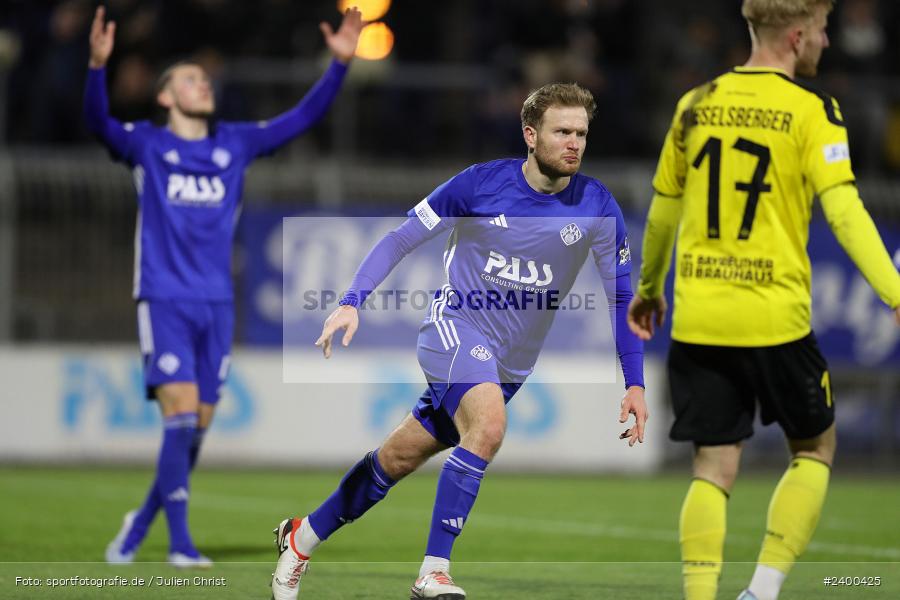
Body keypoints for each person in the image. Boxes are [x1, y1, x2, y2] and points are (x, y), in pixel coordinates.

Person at [270, 82, 649, 600]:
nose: (574, 143)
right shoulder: (478, 185)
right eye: (563, 131)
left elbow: (621, 298)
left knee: (398, 458)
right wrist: (352, 300)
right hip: (454, 329)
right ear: (530, 134)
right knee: (489, 425)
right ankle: (433, 571)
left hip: (512, 364)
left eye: (582, 133)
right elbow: (402, 236)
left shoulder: (598, 206)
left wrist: (635, 383)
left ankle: (301, 537)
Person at [627, 1, 900, 599]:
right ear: (798, 35)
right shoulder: (812, 109)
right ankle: (762, 590)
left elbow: (662, 212)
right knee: (816, 447)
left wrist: (649, 289)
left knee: (712, 468)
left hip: (700, 317)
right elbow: (845, 209)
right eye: (824, 32)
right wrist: (894, 291)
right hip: (775, 317)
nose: (827, 44)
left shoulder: (693, 104)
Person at [84, 5, 363, 567]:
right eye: (189, 78)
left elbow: (299, 119)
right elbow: (98, 125)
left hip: (216, 303)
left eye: (205, 78)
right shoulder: (146, 145)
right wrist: (96, 67)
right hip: (163, 296)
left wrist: (338, 66)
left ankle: (137, 526)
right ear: (165, 97)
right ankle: (180, 545)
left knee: (195, 428)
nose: (202, 83)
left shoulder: (234, 143)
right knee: (181, 412)